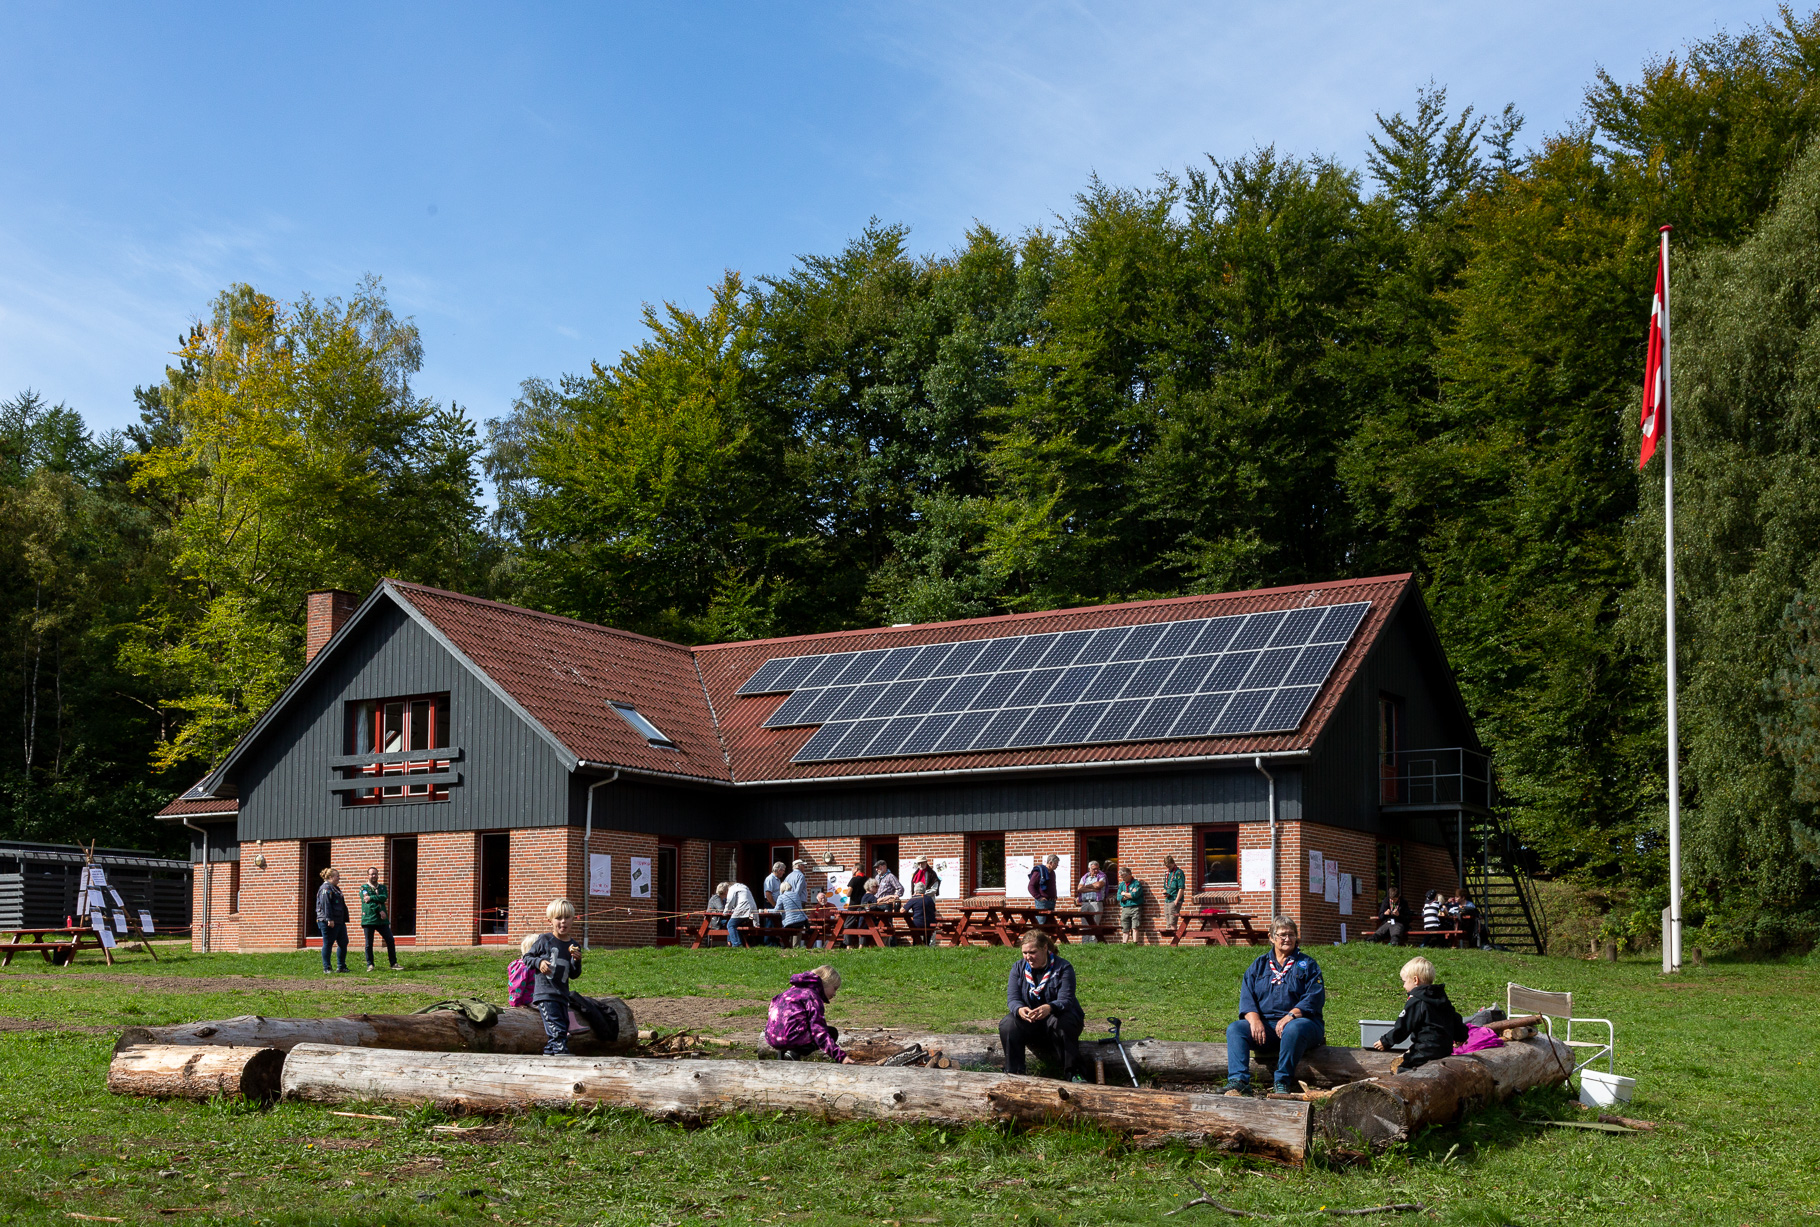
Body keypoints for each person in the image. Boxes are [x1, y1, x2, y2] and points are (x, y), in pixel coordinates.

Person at [1224, 916, 1325, 1096]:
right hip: (1267, 1027)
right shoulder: (1259, 965)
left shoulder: (1307, 965)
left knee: (1293, 1028)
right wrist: (1255, 1021)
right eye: (1282, 935)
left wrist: (1290, 1016)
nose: (1287, 939)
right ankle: (1239, 1081)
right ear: (1271, 937)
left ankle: (1282, 1081)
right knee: (1235, 1029)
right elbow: (1247, 998)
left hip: (1303, 1024)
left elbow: (1314, 997)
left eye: (1291, 934)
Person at [999, 929, 1083, 1079]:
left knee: (1063, 1022)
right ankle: (1014, 1073)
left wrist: (1050, 1007)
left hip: (1056, 1018)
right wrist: (1019, 1009)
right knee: (1008, 1023)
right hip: (1030, 1020)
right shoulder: (1018, 968)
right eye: (1024, 953)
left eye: (1032, 952)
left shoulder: (1063, 968)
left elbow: (1066, 1000)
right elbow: (1012, 998)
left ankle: (1073, 1073)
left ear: (1045, 948)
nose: (1028, 957)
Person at [1372, 956, 1468, 1070]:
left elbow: (1403, 1026)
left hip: (1425, 1050)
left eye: (1404, 982)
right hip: (1445, 1050)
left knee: (1405, 1068)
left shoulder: (1417, 1000)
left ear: (1415, 980)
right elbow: (1455, 1019)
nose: (1403, 986)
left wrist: (1385, 1041)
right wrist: (1461, 1036)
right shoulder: (1441, 999)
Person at [522, 899, 582, 1055]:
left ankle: (549, 1054)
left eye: (567, 917)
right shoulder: (544, 940)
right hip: (546, 993)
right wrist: (539, 962)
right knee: (557, 1027)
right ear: (550, 921)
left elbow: (574, 974)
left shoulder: (574, 945)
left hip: (562, 994)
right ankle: (561, 1052)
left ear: (573, 919)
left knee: (564, 1024)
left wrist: (576, 961)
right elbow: (527, 958)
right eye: (558, 918)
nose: (563, 921)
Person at [765, 965, 855, 1063]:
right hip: (791, 1038)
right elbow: (819, 1031)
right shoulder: (812, 996)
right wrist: (841, 1057)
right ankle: (794, 1053)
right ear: (825, 983)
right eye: (835, 988)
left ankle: (782, 1057)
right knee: (832, 1032)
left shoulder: (789, 991)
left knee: (787, 1027)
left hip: (771, 1037)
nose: (835, 994)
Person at [359, 866, 401, 972]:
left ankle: (393, 963)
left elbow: (384, 897)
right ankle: (370, 964)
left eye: (375, 874)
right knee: (369, 943)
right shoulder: (364, 888)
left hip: (382, 920)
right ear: (368, 875)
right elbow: (367, 903)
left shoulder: (382, 888)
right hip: (369, 919)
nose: (374, 876)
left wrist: (372, 897)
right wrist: (379, 910)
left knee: (390, 940)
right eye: (372, 874)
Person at [314, 867, 350, 974]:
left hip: (339, 920)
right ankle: (327, 967)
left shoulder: (335, 888)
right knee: (328, 943)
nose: (339, 878)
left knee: (343, 942)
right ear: (330, 877)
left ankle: (341, 966)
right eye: (337, 876)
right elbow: (326, 905)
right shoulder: (325, 888)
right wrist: (329, 919)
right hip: (328, 921)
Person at [906, 855, 941, 943]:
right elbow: (913, 888)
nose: (920, 865)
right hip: (917, 902)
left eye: (922, 863)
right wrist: (914, 896)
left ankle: (931, 944)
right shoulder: (916, 874)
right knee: (918, 919)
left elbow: (934, 889)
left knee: (930, 921)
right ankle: (918, 943)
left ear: (926, 862)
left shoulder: (932, 874)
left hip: (928, 900)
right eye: (919, 863)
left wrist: (922, 894)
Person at [778, 859, 811, 945]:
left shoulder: (788, 876)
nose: (804, 867)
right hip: (799, 902)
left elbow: (782, 890)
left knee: (789, 922)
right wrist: (794, 899)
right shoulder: (801, 876)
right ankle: (796, 945)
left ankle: (788, 944)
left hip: (787, 903)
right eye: (803, 865)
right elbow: (798, 891)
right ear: (798, 866)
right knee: (798, 924)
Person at [718, 880, 758, 947]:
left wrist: (725, 912)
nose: (725, 897)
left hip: (743, 909)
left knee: (730, 925)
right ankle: (737, 943)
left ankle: (736, 944)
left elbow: (730, 901)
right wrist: (757, 922)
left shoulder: (731, 889)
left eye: (724, 895)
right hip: (751, 909)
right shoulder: (743, 887)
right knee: (735, 925)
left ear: (725, 891)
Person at [1077, 860, 1107, 939]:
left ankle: (1093, 944)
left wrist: (1086, 886)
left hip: (1096, 902)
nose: (1096, 870)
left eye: (1097, 868)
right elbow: (1079, 889)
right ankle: (1085, 944)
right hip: (1085, 903)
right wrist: (1092, 889)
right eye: (1094, 869)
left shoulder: (1102, 876)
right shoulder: (1085, 877)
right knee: (1084, 925)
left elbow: (1098, 885)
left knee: (1094, 925)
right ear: (1089, 869)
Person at [1116, 865, 1145, 944]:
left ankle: (1135, 944)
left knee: (1135, 927)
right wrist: (1128, 895)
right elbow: (1118, 897)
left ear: (1129, 874)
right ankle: (1124, 944)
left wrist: (1124, 894)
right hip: (1125, 908)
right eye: (1121, 877)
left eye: (1124, 876)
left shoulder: (1136, 883)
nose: (1123, 878)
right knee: (1125, 928)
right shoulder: (1122, 885)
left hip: (1135, 907)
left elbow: (1134, 895)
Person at [1028, 854, 1059, 923]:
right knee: (1041, 922)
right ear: (1050, 863)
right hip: (1042, 903)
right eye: (1056, 863)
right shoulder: (1039, 872)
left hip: (1052, 902)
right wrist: (1039, 897)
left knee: (1050, 924)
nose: (1057, 865)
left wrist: (1054, 896)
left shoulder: (1052, 873)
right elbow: (1031, 886)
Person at [1161, 855, 1187, 936]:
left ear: (1173, 863)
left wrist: (1177, 900)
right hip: (1168, 899)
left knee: (1173, 921)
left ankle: (1174, 940)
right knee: (1168, 921)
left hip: (1175, 899)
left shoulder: (1178, 873)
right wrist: (1165, 892)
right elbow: (1165, 887)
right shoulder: (1168, 873)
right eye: (1167, 866)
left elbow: (1181, 888)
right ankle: (1171, 941)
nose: (1168, 868)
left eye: (1169, 866)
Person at [762, 861, 787, 942]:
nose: (784, 873)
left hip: (775, 904)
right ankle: (768, 942)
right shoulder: (770, 879)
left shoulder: (777, 880)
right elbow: (768, 894)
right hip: (770, 904)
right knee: (770, 923)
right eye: (783, 870)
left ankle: (774, 942)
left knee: (775, 923)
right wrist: (774, 905)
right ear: (779, 870)